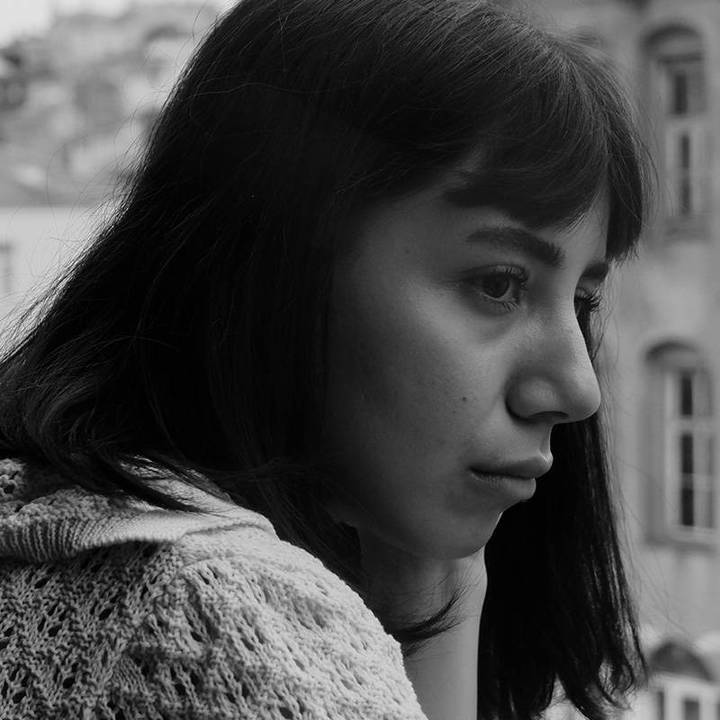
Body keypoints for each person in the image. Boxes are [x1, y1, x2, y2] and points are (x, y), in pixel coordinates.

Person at [0, 0, 652, 718]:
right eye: (497, 283)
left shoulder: (52, 526)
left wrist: (438, 587)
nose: (578, 389)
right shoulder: (224, 626)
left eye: (583, 301)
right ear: (275, 263)